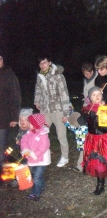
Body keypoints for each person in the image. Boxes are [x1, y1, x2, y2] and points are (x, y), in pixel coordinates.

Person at [80, 87, 107, 195]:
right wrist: (85, 116)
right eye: (94, 95)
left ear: (102, 95)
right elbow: (81, 122)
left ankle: (101, 185)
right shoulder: (88, 109)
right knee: (94, 161)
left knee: (101, 161)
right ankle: (99, 181)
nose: (97, 97)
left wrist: (103, 113)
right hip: (92, 139)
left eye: (98, 94)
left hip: (103, 139)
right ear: (90, 98)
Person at [34, 55, 70, 167]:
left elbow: (64, 94)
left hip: (58, 109)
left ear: (50, 62)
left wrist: (65, 113)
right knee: (41, 133)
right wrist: (37, 101)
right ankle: (44, 154)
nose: (42, 65)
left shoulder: (58, 76)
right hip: (45, 110)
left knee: (61, 135)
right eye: (40, 63)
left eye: (44, 62)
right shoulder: (40, 76)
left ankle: (65, 156)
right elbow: (38, 89)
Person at [0, 50, 21, 186]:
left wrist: (14, 117)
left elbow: (15, 96)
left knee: (1, 149)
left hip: (3, 118)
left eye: (0, 58)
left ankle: (6, 176)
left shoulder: (9, 75)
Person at [21, 114, 51, 201]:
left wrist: (34, 154)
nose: (28, 124)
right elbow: (24, 141)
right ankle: (41, 187)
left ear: (35, 124)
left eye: (30, 123)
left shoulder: (43, 135)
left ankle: (35, 194)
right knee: (35, 174)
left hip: (41, 160)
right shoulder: (29, 132)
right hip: (32, 160)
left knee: (36, 177)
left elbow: (43, 147)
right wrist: (25, 150)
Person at [63, 108, 88, 172]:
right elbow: (71, 127)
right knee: (83, 156)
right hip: (83, 146)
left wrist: (66, 123)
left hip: (88, 145)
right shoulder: (77, 129)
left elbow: (70, 127)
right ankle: (81, 167)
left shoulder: (86, 128)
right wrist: (66, 122)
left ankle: (83, 167)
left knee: (87, 156)